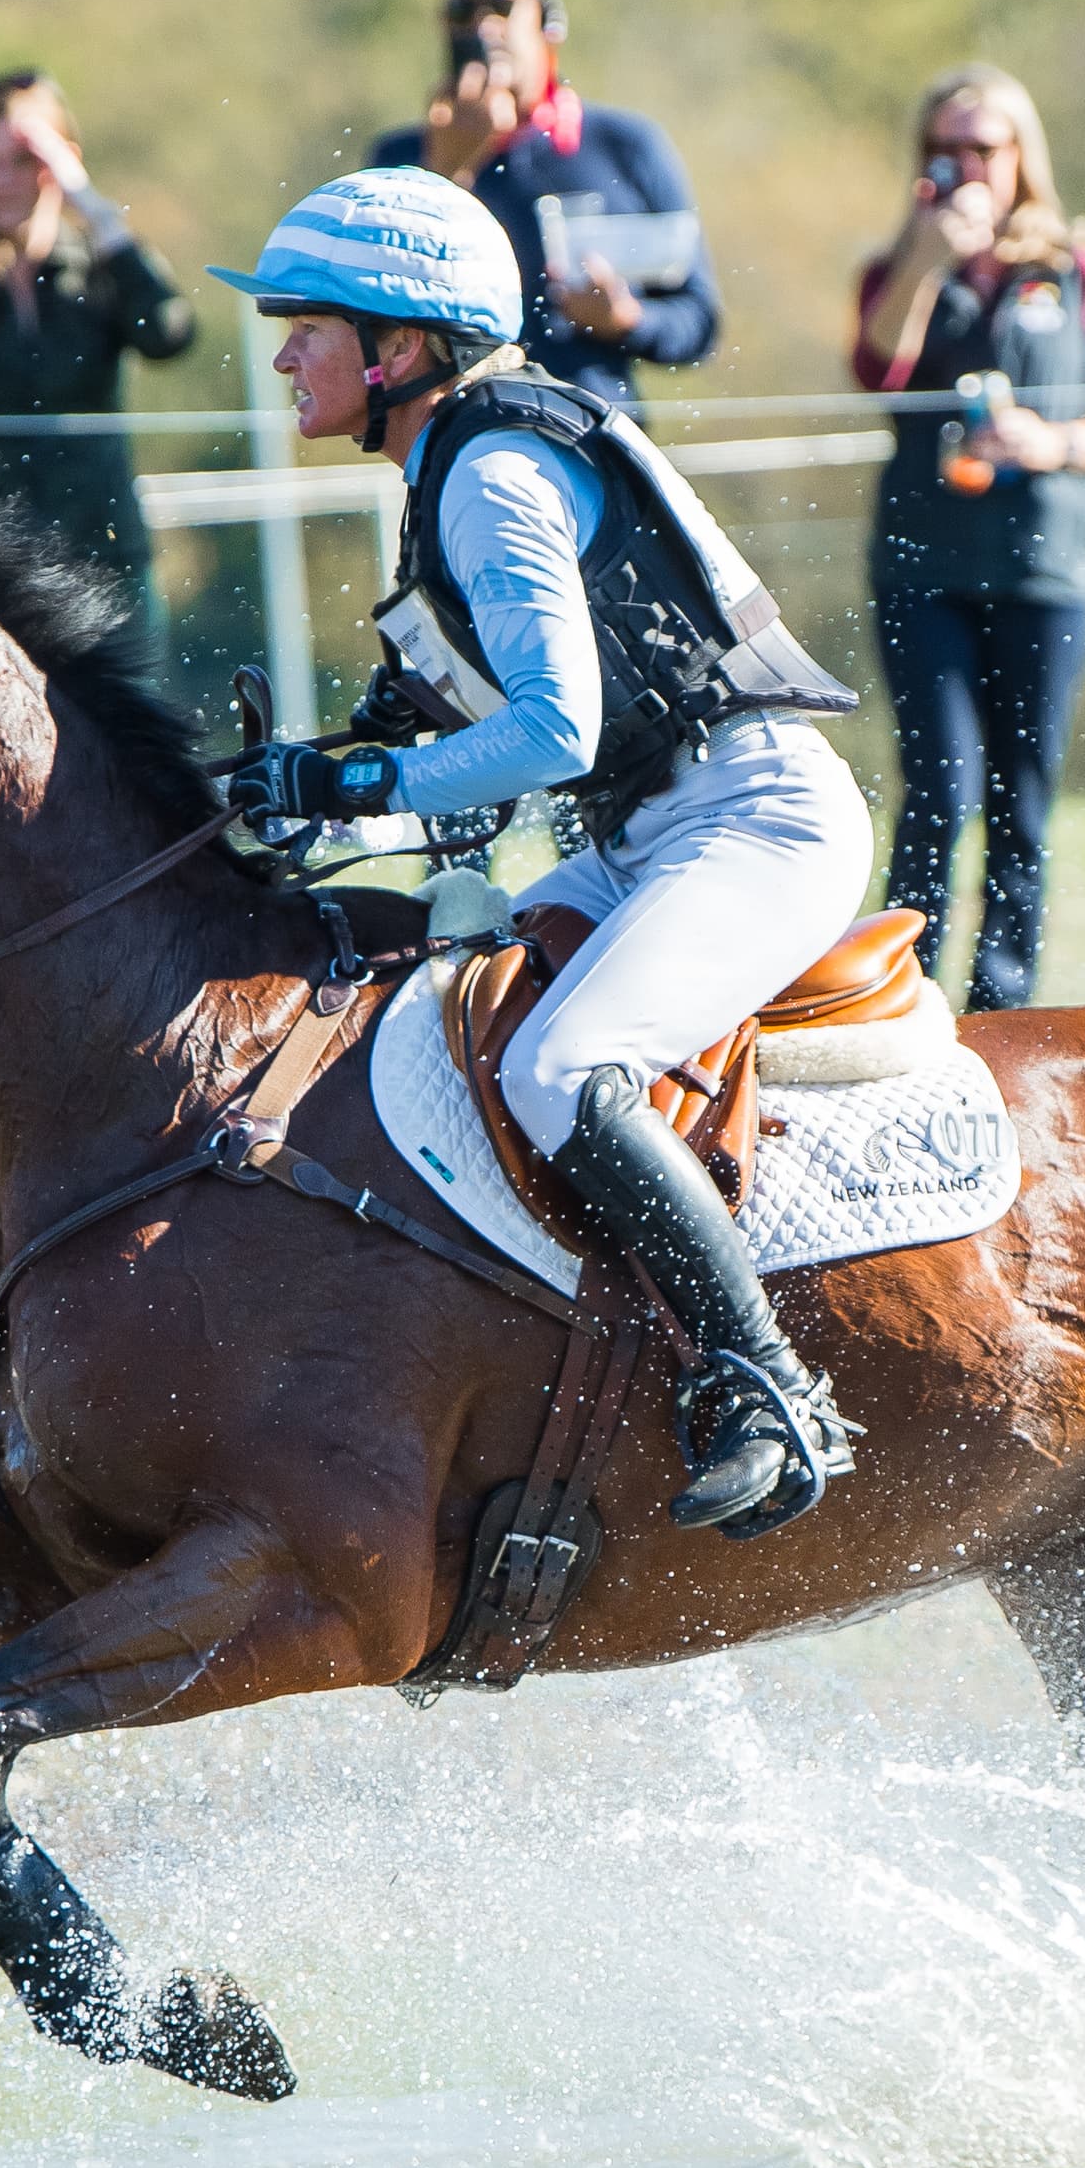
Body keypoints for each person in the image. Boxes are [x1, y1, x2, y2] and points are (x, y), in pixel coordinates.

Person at [210, 170, 865, 1539]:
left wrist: (364, 775)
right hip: (651, 834)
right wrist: (293, 785)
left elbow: (556, 731)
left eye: (303, 326)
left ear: (394, 349)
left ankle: (771, 1390)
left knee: (560, 1066)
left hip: (754, 822)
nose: (280, 354)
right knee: (435, 1002)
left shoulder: (493, 473)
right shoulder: (455, 460)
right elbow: (456, 725)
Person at [852, 66, 1085, 1010]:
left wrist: (1053, 442)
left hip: (1043, 568)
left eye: (986, 145)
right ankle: (902, 992)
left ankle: (1002, 1003)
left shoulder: (1073, 269)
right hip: (923, 565)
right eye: (947, 145)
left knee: (1024, 803)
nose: (968, 163)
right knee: (937, 788)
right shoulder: (901, 265)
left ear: (1023, 155)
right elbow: (875, 370)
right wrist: (923, 259)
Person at [0, 72, 196, 638]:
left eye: (24, 158)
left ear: (62, 158)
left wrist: (91, 206)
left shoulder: (100, 266)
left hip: (105, 569)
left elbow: (168, 333)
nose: (3, 180)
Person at [367, 0, 719, 412]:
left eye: (502, 6)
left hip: (596, 442)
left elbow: (698, 323)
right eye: (462, 10)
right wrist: (444, 175)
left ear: (548, 18)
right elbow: (372, 321)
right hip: (452, 440)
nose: (482, 27)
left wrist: (625, 320)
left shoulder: (625, 146)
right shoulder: (402, 160)